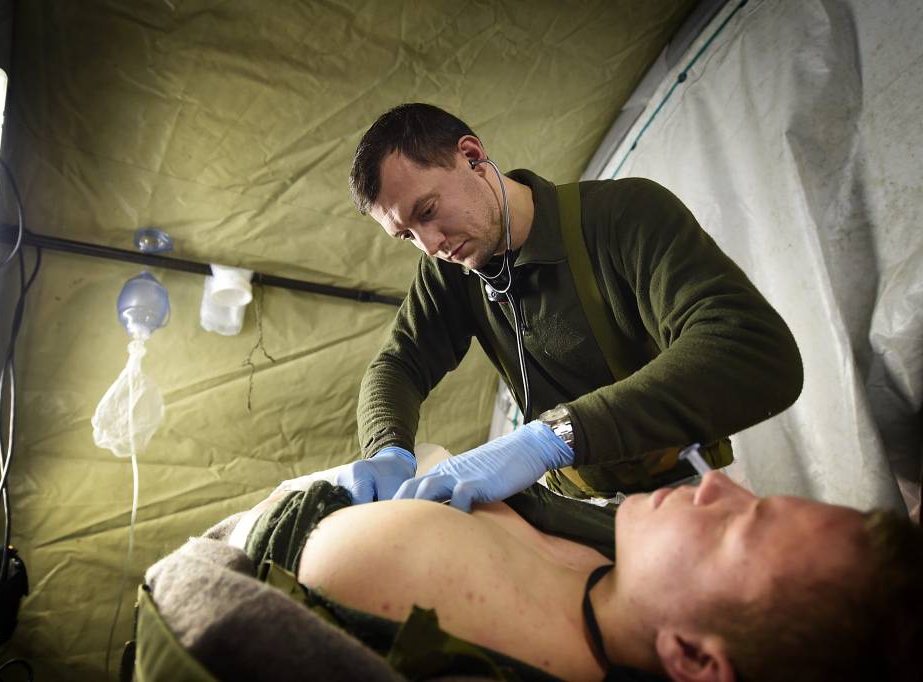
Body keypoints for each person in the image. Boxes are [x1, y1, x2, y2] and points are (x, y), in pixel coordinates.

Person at [337, 103, 804, 507]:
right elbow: (398, 364)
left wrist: (551, 437)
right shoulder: (451, 270)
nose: (431, 243)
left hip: (687, 490)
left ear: (472, 157)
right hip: (577, 503)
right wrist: (388, 449)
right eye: (407, 237)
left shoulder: (623, 215)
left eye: (427, 211)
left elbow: (752, 351)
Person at [223, 471, 921, 681]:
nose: (718, 483)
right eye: (759, 496)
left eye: (738, 525)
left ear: (693, 656)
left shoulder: (410, 593)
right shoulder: (633, 575)